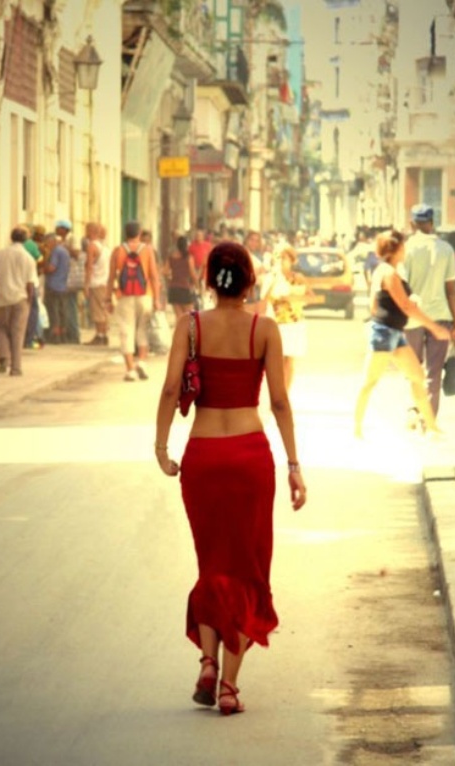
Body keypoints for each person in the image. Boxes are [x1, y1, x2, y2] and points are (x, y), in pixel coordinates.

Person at [154, 241, 307, 716]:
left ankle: (206, 660)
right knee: (246, 569)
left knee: (212, 564)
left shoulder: (190, 326)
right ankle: (229, 688)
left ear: (208, 281)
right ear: (249, 280)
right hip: (248, 458)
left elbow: (169, 388)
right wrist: (295, 465)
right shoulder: (264, 329)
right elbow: (279, 402)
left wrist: (161, 447)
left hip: (202, 458)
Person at [353, 229, 451, 438]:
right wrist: (434, 327)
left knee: (417, 376)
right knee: (369, 382)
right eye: (403, 246)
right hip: (384, 334)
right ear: (396, 249)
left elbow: (373, 305)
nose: (405, 249)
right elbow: (406, 306)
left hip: (394, 333)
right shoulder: (388, 273)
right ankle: (356, 428)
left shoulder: (386, 271)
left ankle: (432, 427)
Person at [403, 204, 455, 422]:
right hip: (441, 318)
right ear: (432, 223)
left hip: (413, 318)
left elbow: (402, 287)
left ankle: (417, 409)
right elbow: (452, 291)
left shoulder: (406, 249)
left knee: (413, 369)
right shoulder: (446, 249)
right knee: (434, 372)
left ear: (412, 224)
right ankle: (429, 420)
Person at [105, 221, 161, 382]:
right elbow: (154, 277)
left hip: (124, 296)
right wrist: (157, 299)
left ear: (125, 233)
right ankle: (142, 361)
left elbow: (111, 278)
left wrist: (108, 299)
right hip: (145, 295)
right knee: (143, 329)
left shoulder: (118, 251)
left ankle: (130, 369)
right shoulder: (148, 250)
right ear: (139, 233)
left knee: (126, 331)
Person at [0, 226, 36, 376]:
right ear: (26, 240)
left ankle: (4, 358)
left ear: (11, 238)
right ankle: (16, 368)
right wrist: (29, 302)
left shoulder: (0, 254)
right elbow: (30, 284)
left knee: (1, 329)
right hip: (20, 298)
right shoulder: (28, 258)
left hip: (2, 297)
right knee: (17, 333)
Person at [260, 246, 313, 391]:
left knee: (289, 361)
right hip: (276, 324)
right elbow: (263, 298)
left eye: (284, 257)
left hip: (294, 323)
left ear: (291, 260)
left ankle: (285, 393)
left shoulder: (299, 278)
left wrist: (297, 298)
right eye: (278, 257)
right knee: (275, 360)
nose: (281, 261)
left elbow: (310, 297)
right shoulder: (271, 277)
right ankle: (275, 391)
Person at [43, 220, 72, 344]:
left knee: (54, 311)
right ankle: (63, 335)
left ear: (52, 241)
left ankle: (55, 335)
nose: (46, 245)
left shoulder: (55, 251)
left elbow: (52, 268)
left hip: (54, 285)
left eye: (47, 243)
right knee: (62, 312)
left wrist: (43, 268)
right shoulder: (65, 251)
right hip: (63, 285)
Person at [84, 223, 111, 346]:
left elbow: (89, 267)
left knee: (97, 310)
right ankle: (104, 335)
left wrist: (86, 285)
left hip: (96, 282)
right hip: (105, 282)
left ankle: (99, 335)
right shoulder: (105, 248)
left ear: (91, 232)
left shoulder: (91, 246)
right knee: (103, 309)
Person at [163, 235, 198, 320]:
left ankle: (180, 333)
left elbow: (165, 271)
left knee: (179, 317)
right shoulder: (188, 258)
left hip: (173, 289)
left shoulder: (171, 257)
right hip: (185, 288)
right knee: (191, 317)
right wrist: (196, 285)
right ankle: (190, 333)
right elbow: (193, 274)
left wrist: (169, 279)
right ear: (186, 245)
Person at [21, 226, 42, 349]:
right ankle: (28, 339)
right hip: (30, 281)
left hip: (15, 284)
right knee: (33, 309)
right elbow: (40, 258)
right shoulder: (31, 245)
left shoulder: (7, 249)